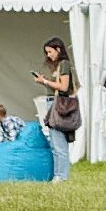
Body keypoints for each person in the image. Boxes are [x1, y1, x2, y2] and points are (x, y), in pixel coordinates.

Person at [33, 37, 77, 181]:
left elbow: (64, 87)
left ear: (58, 49)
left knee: (59, 144)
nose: (48, 55)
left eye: (50, 51)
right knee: (55, 143)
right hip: (54, 103)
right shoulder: (59, 66)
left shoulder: (64, 64)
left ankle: (61, 176)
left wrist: (45, 81)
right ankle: (58, 175)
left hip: (58, 105)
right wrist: (45, 82)